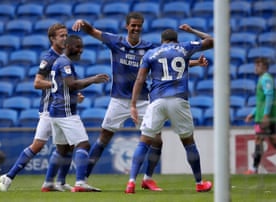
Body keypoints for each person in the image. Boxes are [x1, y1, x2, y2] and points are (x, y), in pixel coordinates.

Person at [72, 12, 208, 192]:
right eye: (133, 25)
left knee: (157, 141)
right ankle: (82, 180)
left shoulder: (150, 47)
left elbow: (167, 60)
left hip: (144, 100)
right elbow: (93, 31)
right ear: (127, 26)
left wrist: (195, 63)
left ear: (142, 27)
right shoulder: (116, 41)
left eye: (139, 26)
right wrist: (83, 22)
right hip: (119, 99)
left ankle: (147, 179)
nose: (136, 28)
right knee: (104, 137)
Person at [125, 25, 214, 194]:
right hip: (178, 99)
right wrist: (193, 31)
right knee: (188, 142)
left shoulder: (151, 53)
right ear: (176, 40)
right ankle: (199, 183)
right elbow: (211, 41)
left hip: (157, 101)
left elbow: (140, 78)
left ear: (162, 41)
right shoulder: (184, 47)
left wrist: (133, 104)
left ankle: (131, 182)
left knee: (144, 141)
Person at [0, 23, 76, 192]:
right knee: (39, 145)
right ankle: (9, 176)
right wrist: (58, 85)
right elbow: (37, 82)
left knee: (68, 145)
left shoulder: (64, 57)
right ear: (52, 39)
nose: (65, 38)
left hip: (60, 108)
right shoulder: (49, 58)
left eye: (66, 35)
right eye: (61, 36)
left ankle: (58, 183)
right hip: (50, 109)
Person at [41, 35, 109, 192]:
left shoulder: (59, 62)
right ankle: (80, 183)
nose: (81, 50)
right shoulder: (65, 62)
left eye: (81, 46)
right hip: (66, 112)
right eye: (77, 46)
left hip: (55, 111)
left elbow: (66, 87)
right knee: (83, 144)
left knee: (62, 149)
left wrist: (75, 95)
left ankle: (48, 183)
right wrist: (93, 79)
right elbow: (71, 84)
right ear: (68, 46)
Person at [244, 57, 276, 175]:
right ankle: (254, 168)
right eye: (255, 65)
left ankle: (253, 169)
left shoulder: (266, 79)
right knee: (264, 139)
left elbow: (269, 96)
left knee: (264, 139)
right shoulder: (262, 79)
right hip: (261, 116)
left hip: (266, 117)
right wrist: (252, 114)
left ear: (264, 67)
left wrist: (266, 115)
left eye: (258, 65)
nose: (255, 68)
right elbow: (261, 101)